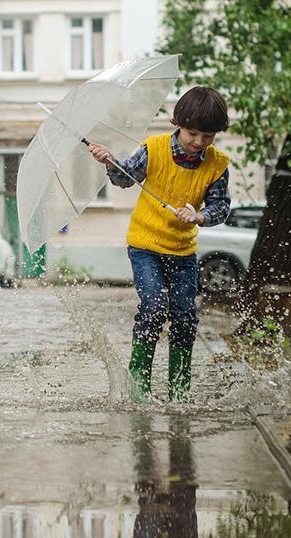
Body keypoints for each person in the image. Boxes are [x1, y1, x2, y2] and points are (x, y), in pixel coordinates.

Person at [87, 86, 231, 401]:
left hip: (183, 251)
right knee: (152, 307)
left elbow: (221, 207)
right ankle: (140, 390)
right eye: (193, 133)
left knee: (184, 315)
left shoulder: (217, 164)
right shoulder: (153, 149)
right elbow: (124, 178)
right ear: (178, 123)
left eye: (208, 136)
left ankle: (179, 391)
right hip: (145, 246)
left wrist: (200, 216)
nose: (199, 142)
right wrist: (109, 161)